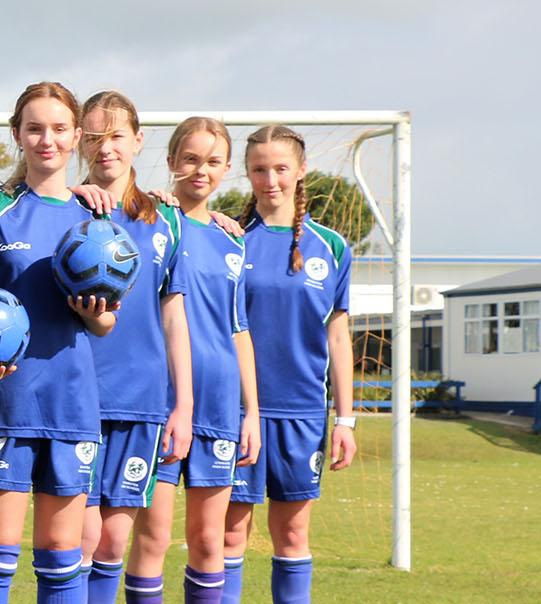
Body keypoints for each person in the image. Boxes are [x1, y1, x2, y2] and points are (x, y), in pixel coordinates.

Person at [0, 81, 118, 603]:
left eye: (57, 129)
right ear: (17, 135)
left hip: (72, 402)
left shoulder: (95, 217)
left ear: (77, 137)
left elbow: (106, 325)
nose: (45, 139)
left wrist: (91, 314)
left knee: (61, 560)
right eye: (34, 128)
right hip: (3, 401)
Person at [69, 92, 194, 604]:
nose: (106, 148)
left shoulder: (165, 220)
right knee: (77, 538)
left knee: (115, 539)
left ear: (138, 141)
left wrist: (182, 404)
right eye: (94, 137)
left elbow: (174, 315)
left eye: (117, 136)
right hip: (76, 397)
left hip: (141, 399)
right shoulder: (64, 209)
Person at [224, 125, 357, 604]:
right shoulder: (231, 241)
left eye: (281, 168)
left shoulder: (332, 247)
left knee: (293, 536)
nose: (270, 179)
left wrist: (344, 419)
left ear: (302, 171)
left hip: (303, 414)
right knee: (229, 537)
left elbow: (338, 337)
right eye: (259, 169)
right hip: (237, 413)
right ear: (247, 173)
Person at [140, 116, 263, 603]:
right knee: (152, 540)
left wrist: (250, 411)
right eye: (190, 159)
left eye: (212, 162)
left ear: (227, 168)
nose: (200, 170)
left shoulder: (232, 238)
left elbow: (239, 329)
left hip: (219, 405)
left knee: (210, 541)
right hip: (164, 402)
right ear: (171, 162)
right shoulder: (149, 221)